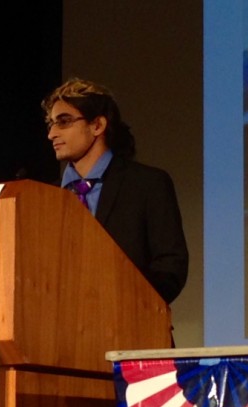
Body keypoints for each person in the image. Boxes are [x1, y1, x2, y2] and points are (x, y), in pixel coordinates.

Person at [41, 77, 188, 304]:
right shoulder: (44, 198)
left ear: (97, 125)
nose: (52, 134)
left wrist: (121, 301)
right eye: (50, 124)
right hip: (59, 333)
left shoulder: (147, 184)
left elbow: (170, 268)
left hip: (132, 330)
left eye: (64, 122)